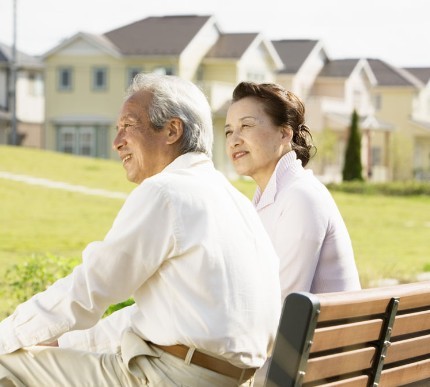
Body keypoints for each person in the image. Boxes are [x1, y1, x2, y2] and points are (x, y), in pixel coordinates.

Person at [0, 74, 281, 387]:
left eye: (128, 125)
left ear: (172, 130)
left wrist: (4, 338)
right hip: (230, 380)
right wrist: (62, 343)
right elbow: (150, 316)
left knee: (5, 364)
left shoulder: (166, 192)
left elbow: (87, 290)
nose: (116, 142)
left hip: (173, 378)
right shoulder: (234, 202)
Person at [224, 81, 361, 385]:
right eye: (229, 131)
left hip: (320, 370)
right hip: (309, 361)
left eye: (246, 126)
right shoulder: (267, 201)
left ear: (285, 133)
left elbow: (282, 309)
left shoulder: (301, 197)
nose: (234, 139)